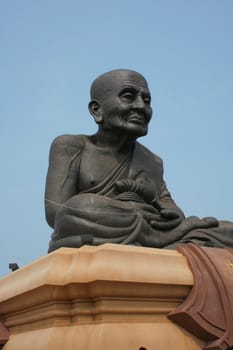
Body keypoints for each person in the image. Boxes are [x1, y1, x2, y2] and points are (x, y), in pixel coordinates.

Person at [45, 69, 233, 252]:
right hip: (97, 224)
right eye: (128, 96)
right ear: (97, 110)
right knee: (82, 206)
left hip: (144, 230)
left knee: (227, 230)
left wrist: (167, 211)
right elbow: (56, 213)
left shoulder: (153, 161)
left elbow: (171, 209)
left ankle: (155, 243)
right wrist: (135, 211)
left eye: (147, 100)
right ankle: (159, 244)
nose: (141, 107)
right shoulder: (71, 146)